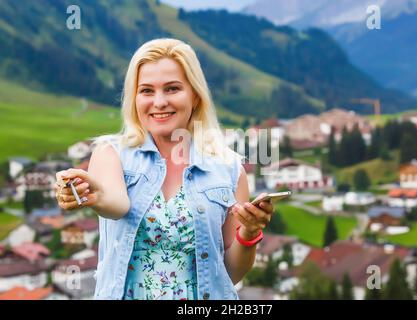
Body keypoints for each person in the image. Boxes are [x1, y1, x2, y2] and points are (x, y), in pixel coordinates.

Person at [54, 38, 275, 300]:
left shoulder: (229, 169)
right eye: (146, 90)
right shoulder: (111, 153)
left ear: (194, 95)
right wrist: (94, 195)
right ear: (134, 98)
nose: (159, 102)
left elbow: (229, 273)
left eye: (172, 89)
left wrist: (249, 232)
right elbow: (117, 204)